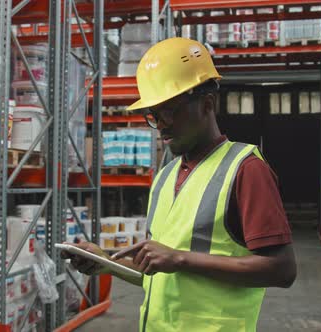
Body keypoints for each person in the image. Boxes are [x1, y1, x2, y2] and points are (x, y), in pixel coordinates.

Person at [62, 37, 297, 332]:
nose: (161, 124)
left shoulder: (246, 169)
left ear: (208, 104)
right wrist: (106, 261)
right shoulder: (165, 177)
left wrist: (180, 259)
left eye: (169, 111)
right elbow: (160, 270)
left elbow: (283, 270)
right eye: (153, 115)